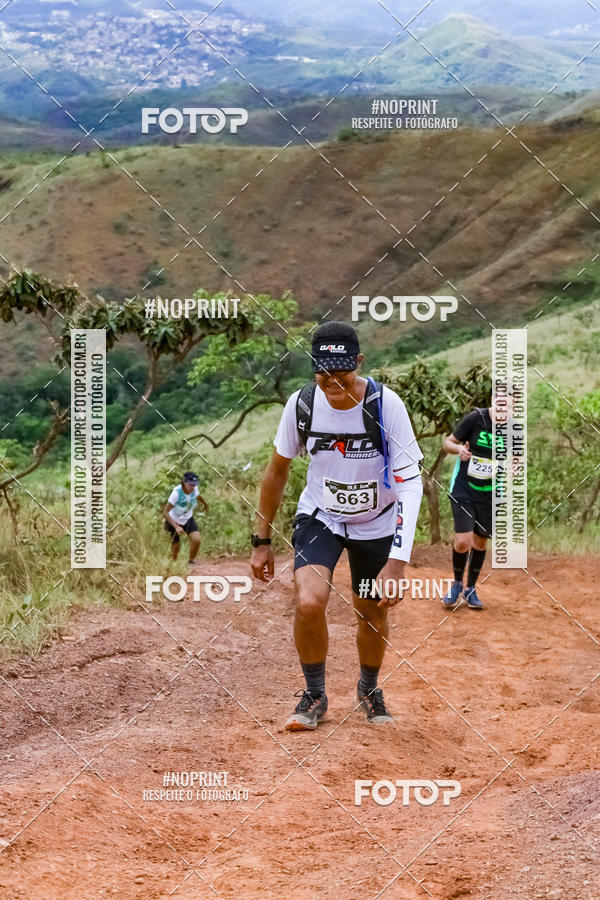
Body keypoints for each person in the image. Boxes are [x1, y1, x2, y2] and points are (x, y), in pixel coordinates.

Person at [250, 322, 423, 731]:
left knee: (370, 612)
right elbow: (277, 471)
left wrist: (397, 562)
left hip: (377, 522)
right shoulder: (302, 405)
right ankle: (314, 694)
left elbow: (411, 483)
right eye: (323, 374)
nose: (332, 384)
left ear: (359, 363)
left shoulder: (386, 405)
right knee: (309, 601)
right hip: (321, 516)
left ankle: (368, 689)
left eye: (342, 374)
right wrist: (261, 539)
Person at [441, 396, 509, 610]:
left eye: (508, 405)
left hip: (490, 494)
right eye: (500, 403)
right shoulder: (475, 418)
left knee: (480, 543)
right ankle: (457, 584)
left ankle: (470, 589)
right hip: (464, 489)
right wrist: (459, 450)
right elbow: (447, 443)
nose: (502, 409)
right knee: (463, 541)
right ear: (493, 400)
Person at [164, 471, 208, 565]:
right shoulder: (176, 493)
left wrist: (204, 503)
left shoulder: (194, 489)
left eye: (194, 485)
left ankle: (191, 561)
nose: (192, 487)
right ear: (184, 482)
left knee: (196, 539)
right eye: (190, 484)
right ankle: (173, 565)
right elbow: (165, 512)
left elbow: (198, 496)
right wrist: (176, 526)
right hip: (173, 519)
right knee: (176, 546)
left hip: (187, 518)